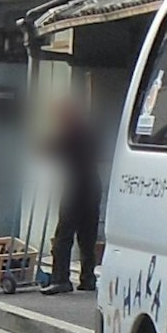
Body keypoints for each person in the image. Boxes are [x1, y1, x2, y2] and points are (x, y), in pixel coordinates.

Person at [44, 96, 105, 294]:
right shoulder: (88, 130)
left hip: (77, 185)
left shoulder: (72, 132)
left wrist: (45, 145)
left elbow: (53, 148)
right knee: (88, 234)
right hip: (92, 184)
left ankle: (61, 279)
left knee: (64, 234)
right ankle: (88, 278)